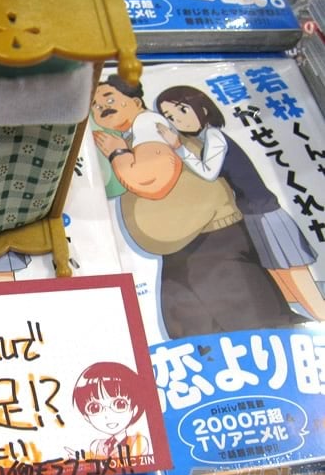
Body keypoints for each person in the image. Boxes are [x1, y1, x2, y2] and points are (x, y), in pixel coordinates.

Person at [91, 75, 306, 338]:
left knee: (251, 322)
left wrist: (117, 153)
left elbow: (151, 180)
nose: (102, 108)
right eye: (95, 106)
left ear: (135, 101)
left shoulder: (148, 126)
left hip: (209, 241)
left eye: (109, 100)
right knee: (200, 328)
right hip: (190, 243)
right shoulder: (138, 132)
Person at [155, 85, 324, 321]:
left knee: (292, 270)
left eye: (182, 110)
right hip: (252, 211)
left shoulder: (214, 136)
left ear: (203, 107)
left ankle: (321, 316)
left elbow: (208, 172)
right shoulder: (205, 138)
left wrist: (178, 147)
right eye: (170, 117)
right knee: (277, 271)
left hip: (263, 210)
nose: (178, 120)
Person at [72, 362, 149, 459]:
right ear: (86, 416)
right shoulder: (96, 446)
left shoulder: (138, 442)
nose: (107, 415)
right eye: (95, 408)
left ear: (135, 409)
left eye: (120, 405)